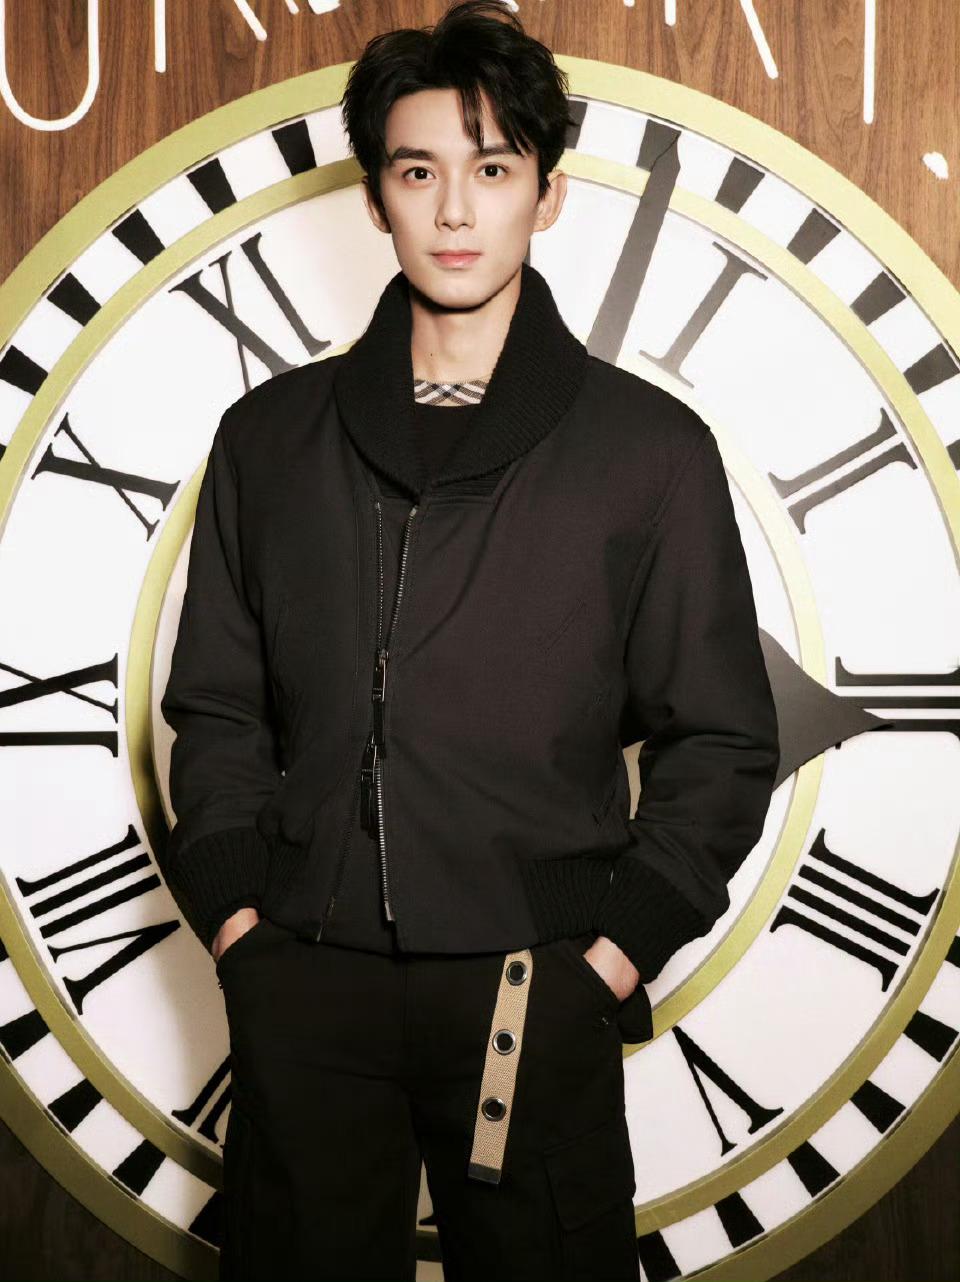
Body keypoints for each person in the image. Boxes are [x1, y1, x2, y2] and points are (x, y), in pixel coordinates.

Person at [159, 3, 781, 1279]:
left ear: (547, 196)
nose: (454, 210)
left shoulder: (651, 452)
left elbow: (721, 742)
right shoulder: (268, 440)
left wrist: (606, 961)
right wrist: (240, 933)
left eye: (493, 170)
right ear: (375, 196)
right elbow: (217, 710)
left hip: (533, 988)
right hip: (303, 980)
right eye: (418, 171)